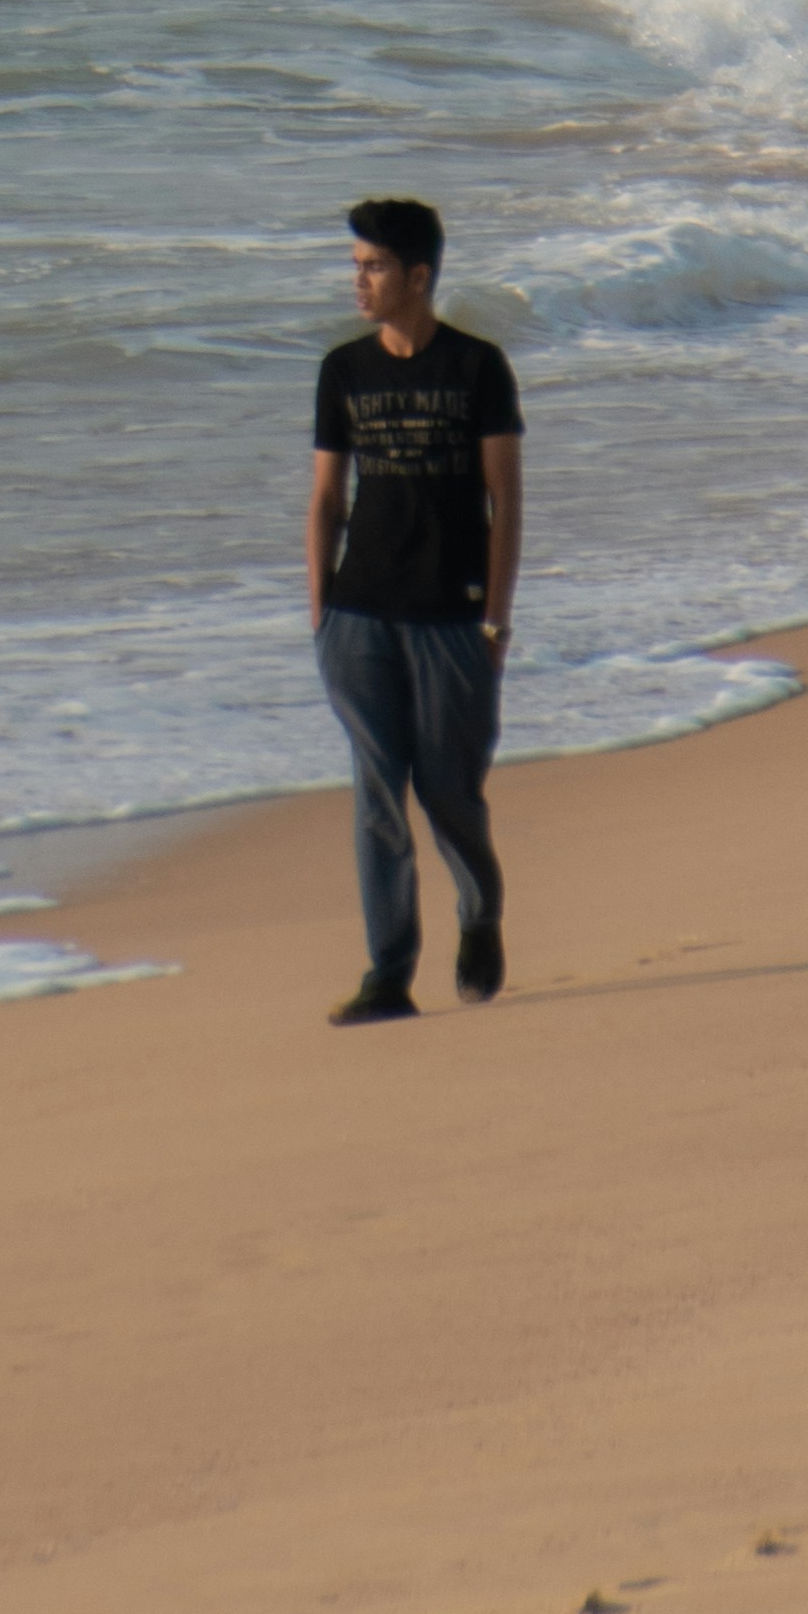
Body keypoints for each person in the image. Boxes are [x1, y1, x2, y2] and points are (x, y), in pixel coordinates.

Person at [307, 194, 522, 1025]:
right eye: (356, 266)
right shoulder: (344, 371)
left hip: (452, 618)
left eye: (374, 267)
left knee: (450, 794)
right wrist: (321, 615)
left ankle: (480, 918)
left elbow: (505, 499)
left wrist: (495, 621)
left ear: (419, 276)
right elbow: (327, 499)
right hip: (359, 618)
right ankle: (389, 973)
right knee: (375, 797)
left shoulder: (477, 368)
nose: (358, 281)